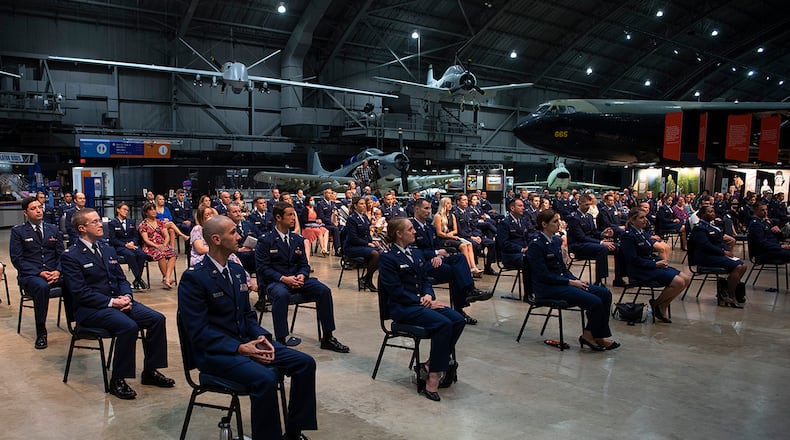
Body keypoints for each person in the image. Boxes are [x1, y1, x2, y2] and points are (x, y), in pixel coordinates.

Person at [178, 214, 318, 440]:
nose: (239, 236)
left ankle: (294, 432)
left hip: (247, 342)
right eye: (232, 232)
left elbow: (247, 316)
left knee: (304, 363)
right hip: (216, 353)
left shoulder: (235, 271)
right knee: (266, 378)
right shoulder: (194, 278)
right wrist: (241, 348)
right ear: (216, 239)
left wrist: (262, 338)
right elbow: (198, 332)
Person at [61, 208, 174, 400]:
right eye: (95, 222)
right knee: (128, 326)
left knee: (156, 319)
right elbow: (80, 293)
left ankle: (150, 371)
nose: (100, 224)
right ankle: (118, 379)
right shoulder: (71, 256)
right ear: (82, 228)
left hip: (119, 301)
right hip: (92, 310)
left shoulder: (106, 248)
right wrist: (113, 302)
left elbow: (121, 279)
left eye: (99, 221)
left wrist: (127, 297)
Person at [378, 217, 466, 401]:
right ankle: (433, 377)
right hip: (403, 308)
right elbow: (395, 291)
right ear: (399, 234)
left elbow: (425, 279)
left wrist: (428, 295)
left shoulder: (416, 253)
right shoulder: (388, 258)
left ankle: (430, 364)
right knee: (443, 324)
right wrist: (421, 301)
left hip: (422, 303)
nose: (414, 232)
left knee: (457, 319)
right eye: (410, 229)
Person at [255, 201, 350, 352]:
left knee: (323, 290)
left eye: (294, 214)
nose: (294, 218)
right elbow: (262, 268)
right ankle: (281, 339)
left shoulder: (297, 239)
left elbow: (304, 265)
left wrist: (301, 275)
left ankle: (328, 337)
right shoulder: (265, 240)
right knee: (280, 294)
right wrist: (284, 279)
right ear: (278, 217)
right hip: (276, 282)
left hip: (297, 280)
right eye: (290, 215)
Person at [527, 209, 620, 351]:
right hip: (548, 288)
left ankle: (593, 334)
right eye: (555, 221)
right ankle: (593, 336)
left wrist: (576, 280)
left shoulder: (556, 241)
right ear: (544, 224)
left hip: (562, 282)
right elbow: (542, 275)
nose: (559, 224)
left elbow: (563, 269)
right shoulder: (536, 244)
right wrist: (570, 282)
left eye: (559, 220)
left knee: (604, 294)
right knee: (594, 301)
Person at [411, 198, 492, 325]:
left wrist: (438, 254)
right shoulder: (411, 227)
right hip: (423, 264)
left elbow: (437, 245)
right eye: (425, 208)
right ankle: (460, 309)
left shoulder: (429, 227)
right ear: (416, 209)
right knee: (454, 271)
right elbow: (413, 252)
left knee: (459, 258)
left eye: (430, 208)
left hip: (436, 259)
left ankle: (470, 290)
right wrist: (435, 254)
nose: (428, 211)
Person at [9, 196, 63, 349]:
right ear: (26, 213)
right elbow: (17, 260)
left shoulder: (53, 229)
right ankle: (41, 331)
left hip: (54, 273)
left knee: (75, 280)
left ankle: (79, 323)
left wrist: (58, 271)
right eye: (33, 208)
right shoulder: (18, 232)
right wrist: (39, 273)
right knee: (42, 287)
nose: (38, 210)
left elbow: (62, 255)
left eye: (39, 207)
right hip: (31, 276)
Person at [620, 209, 691, 323]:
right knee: (678, 282)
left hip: (652, 264)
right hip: (640, 270)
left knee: (686, 279)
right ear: (632, 221)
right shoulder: (628, 236)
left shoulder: (642, 233)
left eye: (645, 217)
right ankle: (658, 305)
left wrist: (660, 262)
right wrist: (654, 264)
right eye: (641, 218)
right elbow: (633, 259)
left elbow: (649, 253)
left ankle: (661, 304)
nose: (645, 220)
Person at [689, 205, 747, 308]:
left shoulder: (712, 226)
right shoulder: (699, 228)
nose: (712, 213)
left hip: (716, 255)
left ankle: (725, 290)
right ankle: (731, 294)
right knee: (737, 267)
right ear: (702, 215)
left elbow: (719, 242)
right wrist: (723, 252)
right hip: (705, 257)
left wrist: (727, 250)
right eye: (709, 212)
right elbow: (705, 245)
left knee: (743, 266)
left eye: (713, 211)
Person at [566, 194, 625, 286]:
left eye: (589, 205)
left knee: (617, 247)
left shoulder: (589, 216)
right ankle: (599, 281)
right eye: (586, 205)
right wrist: (601, 242)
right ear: (579, 203)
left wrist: (602, 234)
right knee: (602, 249)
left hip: (590, 243)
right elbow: (581, 237)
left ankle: (618, 278)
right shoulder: (574, 218)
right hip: (578, 245)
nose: (588, 207)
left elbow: (593, 232)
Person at [433, 197, 480, 276]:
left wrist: (451, 234)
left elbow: (456, 231)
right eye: (448, 203)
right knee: (463, 246)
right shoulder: (438, 216)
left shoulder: (452, 216)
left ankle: (473, 267)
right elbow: (439, 233)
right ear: (443, 205)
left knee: (469, 244)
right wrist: (449, 236)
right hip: (443, 239)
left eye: (450, 203)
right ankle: (467, 269)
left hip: (452, 237)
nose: (450, 205)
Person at [107, 202, 149, 290]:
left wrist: (132, 243)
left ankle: (137, 280)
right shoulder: (112, 223)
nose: (126, 212)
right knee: (130, 255)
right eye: (124, 209)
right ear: (118, 210)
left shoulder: (131, 222)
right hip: (120, 246)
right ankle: (139, 279)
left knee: (141, 254)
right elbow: (113, 239)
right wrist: (125, 245)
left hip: (132, 244)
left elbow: (135, 236)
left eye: (127, 210)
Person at [343, 196, 381, 291]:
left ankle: (365, 279)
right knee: (375, 254)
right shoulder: (351, 219)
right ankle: (367, 280)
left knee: (381, 252)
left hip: (363, 246)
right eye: (361, 204)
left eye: (364, 203)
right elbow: (353, 238)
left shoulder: (364, 217)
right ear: (355, 206)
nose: (364, 206)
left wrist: (372, 241)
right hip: (352, 247)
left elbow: (367, 234)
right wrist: (367, 244)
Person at [138, 202, 178, 289]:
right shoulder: (143, 225)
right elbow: (146, 240)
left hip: (162, 245)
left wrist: (164, 244)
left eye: (154, 209)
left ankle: (166, 277)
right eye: (151, 210)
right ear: (146, 212)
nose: (153, 211)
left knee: (173, 253)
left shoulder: (160, 222)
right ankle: (167, 278)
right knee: (161, 254)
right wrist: (157, 246)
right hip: (151, 247)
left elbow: (167, 236)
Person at [315, 189, 341, 256]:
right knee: (335, 229)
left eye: (331, 193)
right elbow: (321, 217)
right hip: (325, 224)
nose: (330, 194)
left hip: (333, 223)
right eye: (328, 193)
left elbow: (336, 213)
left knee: (343, 229)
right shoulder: (320, 204)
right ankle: (337, 249)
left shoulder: (333, 203)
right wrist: (332, 223)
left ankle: (342, 248)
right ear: (325, 194)